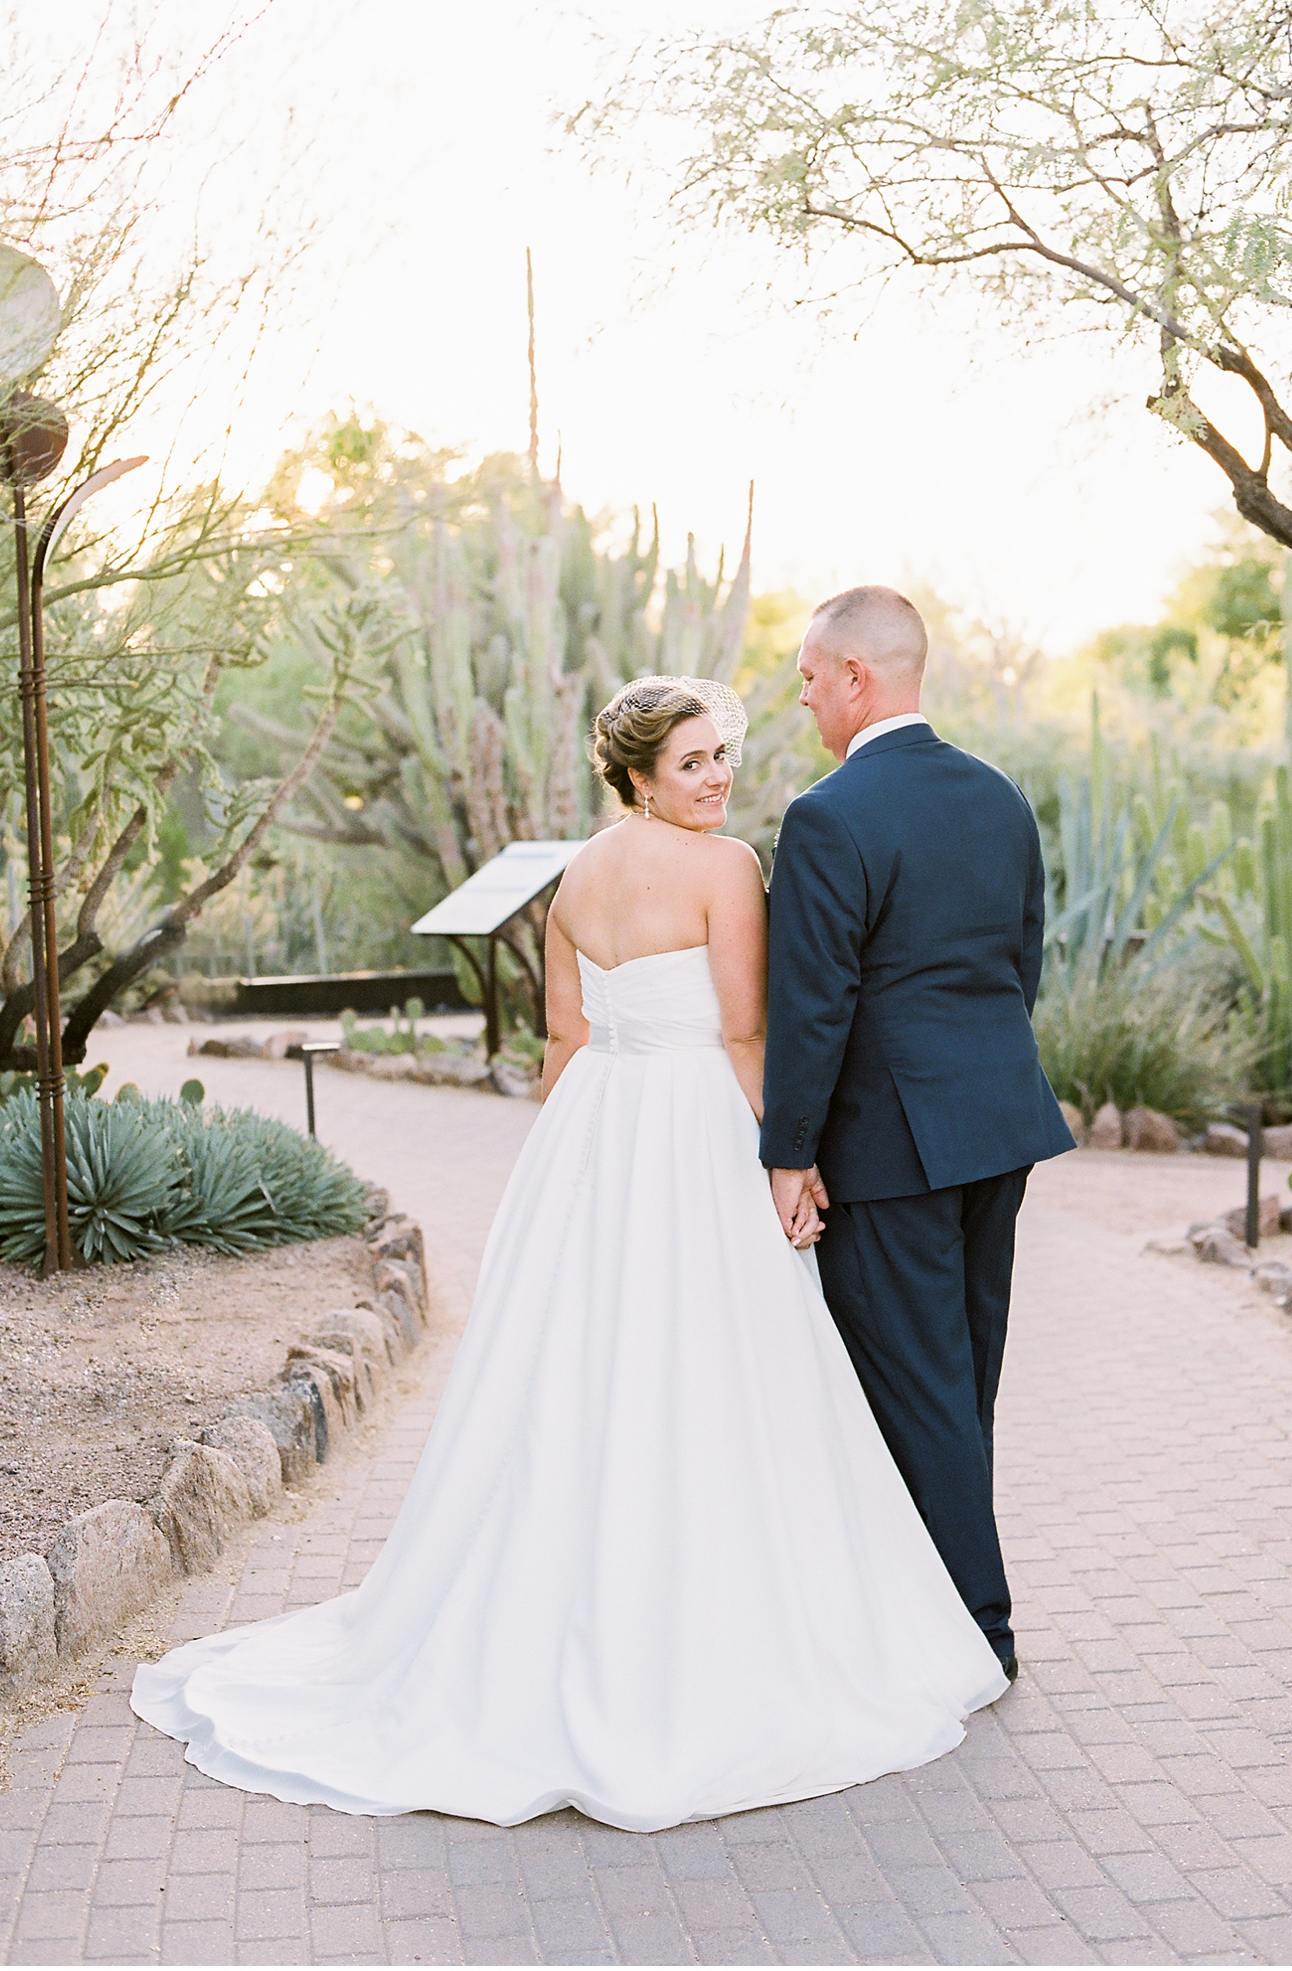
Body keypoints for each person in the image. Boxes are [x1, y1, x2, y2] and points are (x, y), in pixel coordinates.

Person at [131, 675, 1007, 1832]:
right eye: (692, 761)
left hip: (596, 1124)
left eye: (721, 756)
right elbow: (747, 1028)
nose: (717, 777)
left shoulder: (578, 874)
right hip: (694, 1121)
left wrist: (571, 1176)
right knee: (718, 1369)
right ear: (639, 773)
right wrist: (785, 1162)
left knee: (584, 1369)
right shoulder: (727, 867)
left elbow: (564, 1038)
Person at [760, 587, 1075, 1684]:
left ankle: (973, 1632)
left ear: (855, 675)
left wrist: (786, 1155)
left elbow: (813, 1007)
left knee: (918, 1388)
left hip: (889, 1148)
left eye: (807, 675)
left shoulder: (826, 816)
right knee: (962, 1377)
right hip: (997, 1126)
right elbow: (1021, 963)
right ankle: (935, 1605)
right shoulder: (998, 797)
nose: (799, 696)